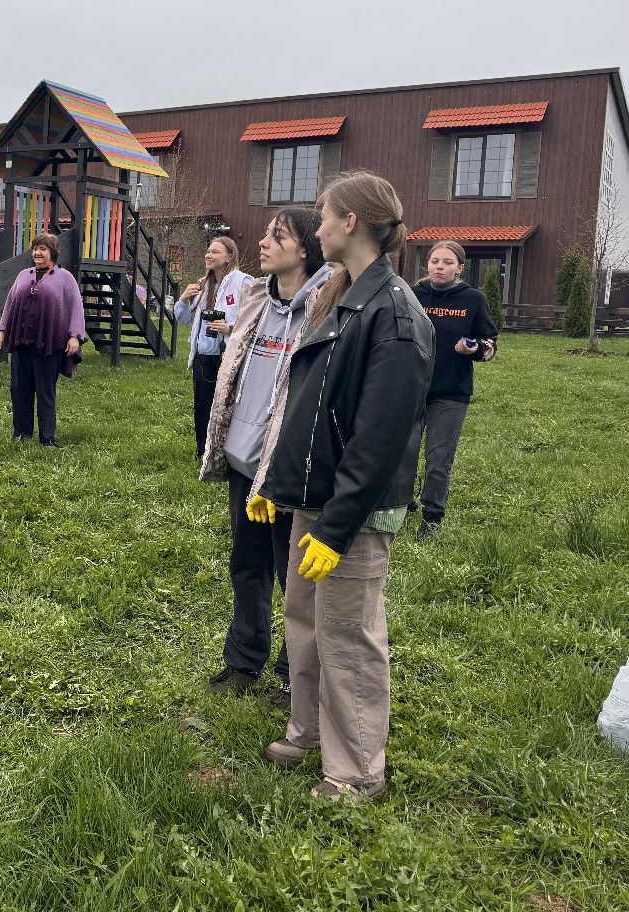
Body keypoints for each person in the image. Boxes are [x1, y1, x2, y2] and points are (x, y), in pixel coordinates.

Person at [249, 171, 434, 803]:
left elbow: (380, 443)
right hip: (314, 499)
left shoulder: (397, 316)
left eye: (324, 215)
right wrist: (277, 484)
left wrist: (336, 526)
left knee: (348, 634)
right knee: (304, 619)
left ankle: (356, 770)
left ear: (351, 222)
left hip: (350, 515)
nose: (317, 224)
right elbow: (307, 405)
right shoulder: (341, 295)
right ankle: (308, 730)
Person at [199, 209, 330, 711]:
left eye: (279, 236)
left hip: (287, 468)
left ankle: (294, 674)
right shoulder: (257, 299)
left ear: (305, 251)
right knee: (246, 562)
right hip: (243, 462)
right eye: (267, 233)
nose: (264, 241)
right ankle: (243, 658)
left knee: (291, 574)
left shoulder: (324, 308)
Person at [409, 241, 497, 539]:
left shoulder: (473, 300)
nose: (439, 267)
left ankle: (431, 517)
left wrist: (471, 349)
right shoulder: (412, 294)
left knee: (438, 459)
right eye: (435, 261)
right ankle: (400, 501)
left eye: (447, 262)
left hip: (451, 392)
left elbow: (490, 346)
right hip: (409, 387)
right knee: (401, 453)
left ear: (460, 267)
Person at [0, 233, 84, 448]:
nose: (37, 253)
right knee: (19, 389)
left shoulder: (65, 278)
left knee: (45, 391)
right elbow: (9, 303)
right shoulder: (24, 275)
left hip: (49, 343)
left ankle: (47, 438)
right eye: (35, 248)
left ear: (52, 252)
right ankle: (22, 433)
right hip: (22, 341)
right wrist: (2, 331)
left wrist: (74, 336)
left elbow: (76, 307)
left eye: (43, 249)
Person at [176, 236, 251, 460]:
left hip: (228, 354)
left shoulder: (244, 283)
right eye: (208, 251)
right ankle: (203, 450)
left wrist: (228, 327)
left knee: (228, 404)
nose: (208, 255)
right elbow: (185, 320)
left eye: (215, 252)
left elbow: (254, 320)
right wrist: (183, 300)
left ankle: (226, 451)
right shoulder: (203, 285)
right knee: (203, 404)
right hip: (203, 356)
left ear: (230, 256)